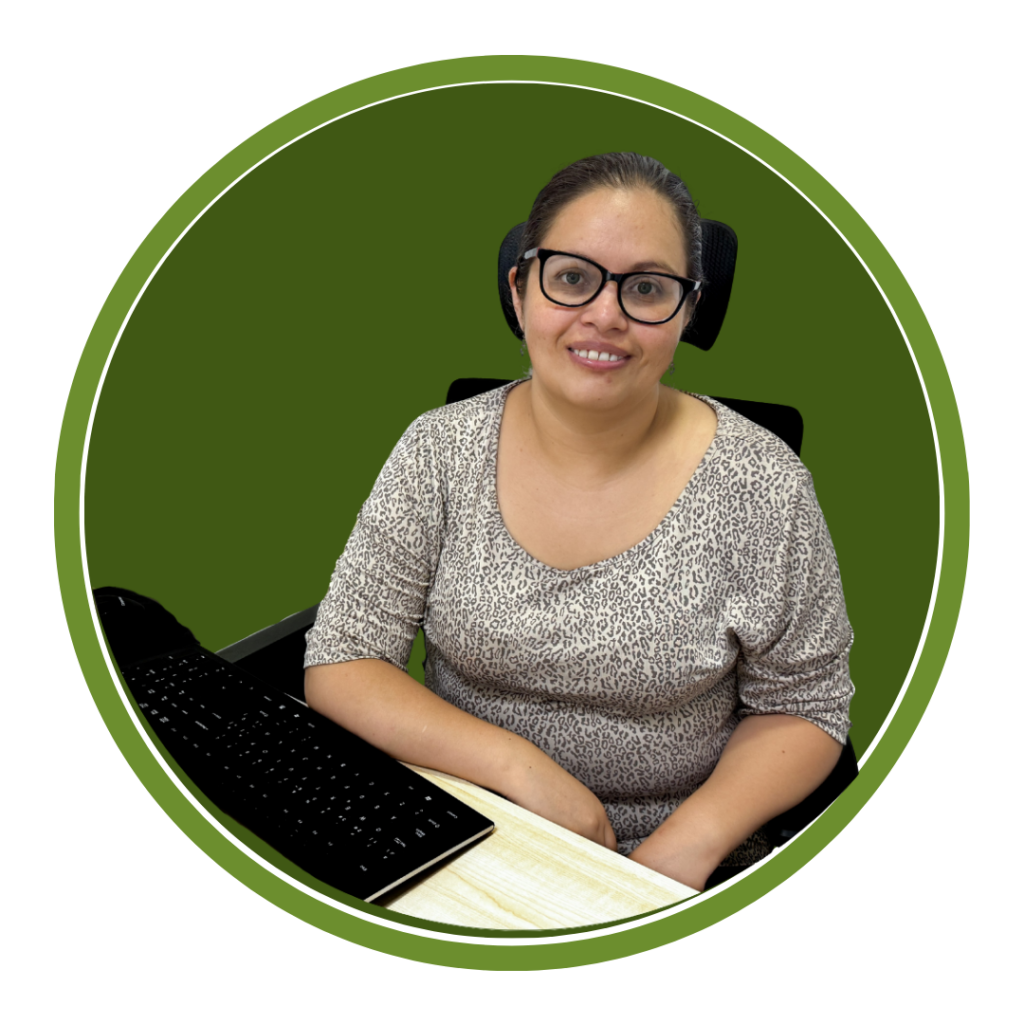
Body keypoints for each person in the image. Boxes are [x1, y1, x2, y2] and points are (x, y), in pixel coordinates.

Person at [303, 152, 853, 892]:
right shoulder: (437, 448)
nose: (605, 316)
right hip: (462, 822)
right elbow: (344, 659)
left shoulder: (763, 484)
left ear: (689, 311)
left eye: (647, 288)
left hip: (675, 854)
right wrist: (519, 769)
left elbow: (805, 707)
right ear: (519, 290)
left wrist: (675, 856)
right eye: (571, 278)